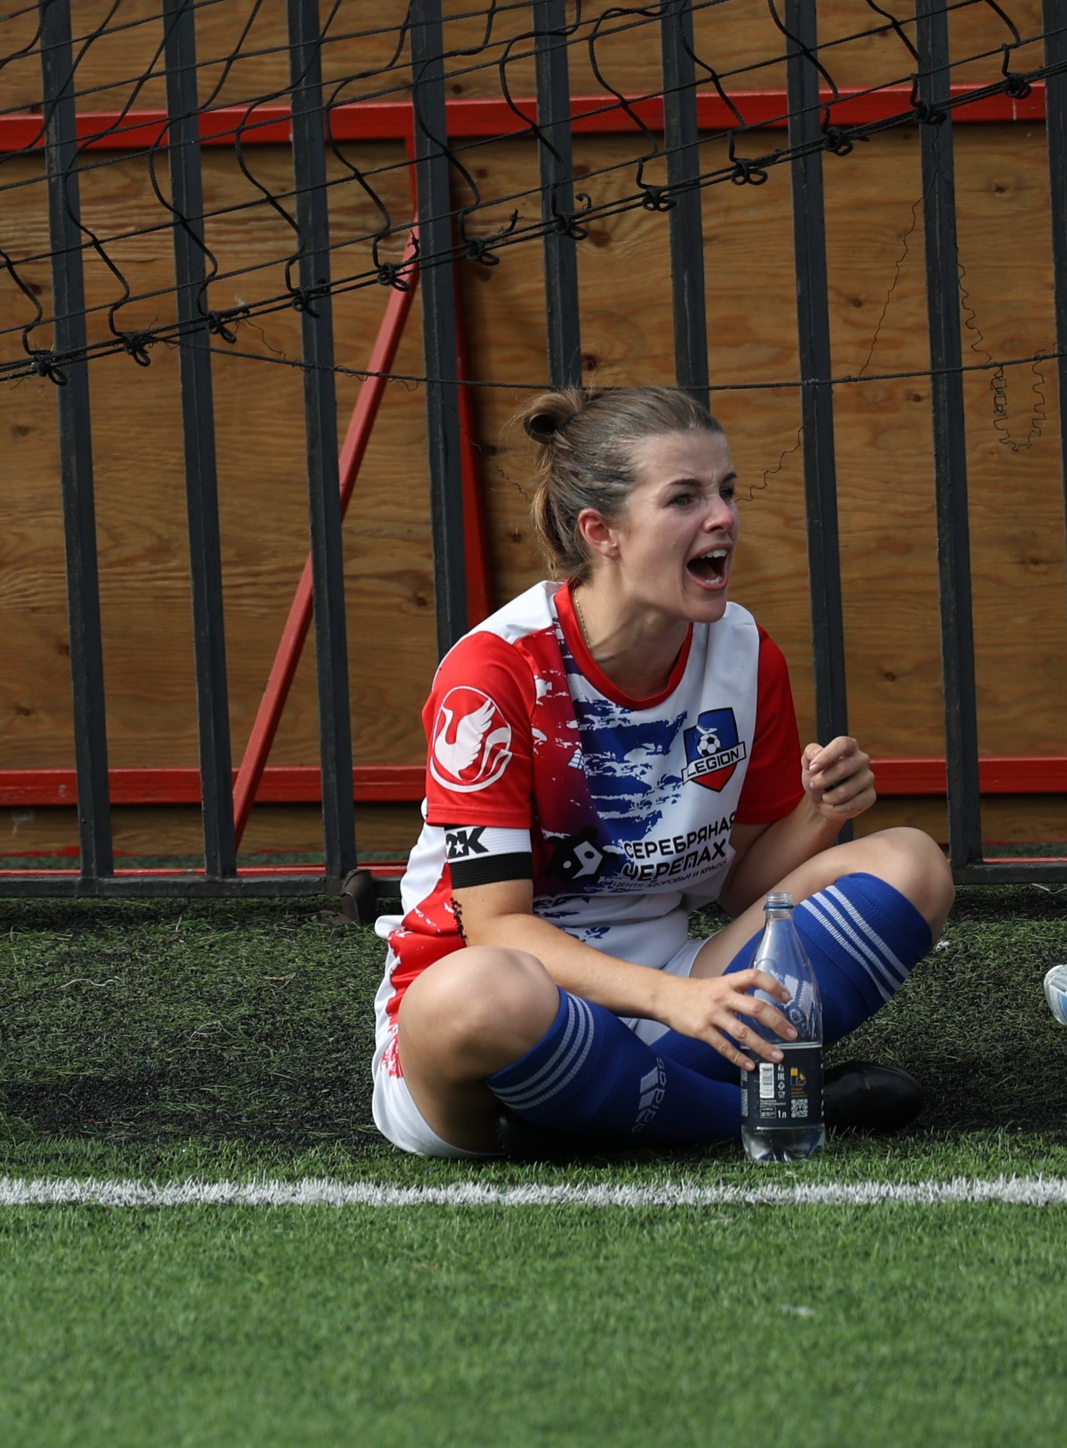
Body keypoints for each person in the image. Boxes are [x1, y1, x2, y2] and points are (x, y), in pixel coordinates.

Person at [371, 383, 950, 1158]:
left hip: (678, 991)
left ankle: (607, 1112)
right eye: (684, 498)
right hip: (501, 1011)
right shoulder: (494, 671)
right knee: (476, 992)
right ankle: (757, 1112)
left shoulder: (745, 654)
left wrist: (821, 812)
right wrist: (674, 999)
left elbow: (742, 887)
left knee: (910, 864)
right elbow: (496, 926)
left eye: (727, 491)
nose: (723, 518)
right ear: (601, 531)